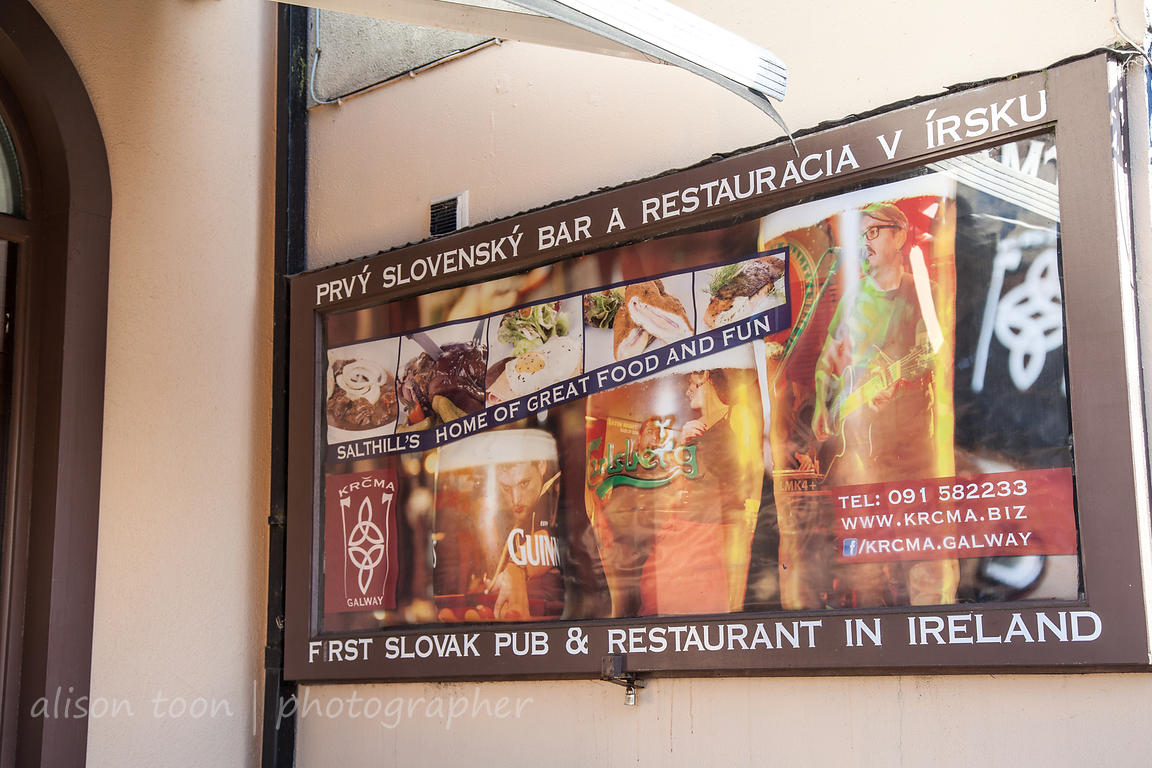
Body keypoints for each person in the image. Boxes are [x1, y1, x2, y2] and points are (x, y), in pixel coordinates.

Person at [809, 201, 957, 606]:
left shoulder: (923, 291)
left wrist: (902, 378)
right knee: (868, 565)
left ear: (900, 235)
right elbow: (828, 360)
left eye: (873, 232)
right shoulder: (852, 299)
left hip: (913, 452)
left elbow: (934, 353)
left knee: (926, 557)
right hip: (862, 459)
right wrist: (825, 406)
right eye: (860, 235)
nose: (864, 242)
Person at [490, 459, 562, 619]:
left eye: (524, 484)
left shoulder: (561, 489)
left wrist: (516, 570)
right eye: (506, 488)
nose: (516, 499)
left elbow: (560, 540)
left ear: (542, 466)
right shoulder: (505, 513)